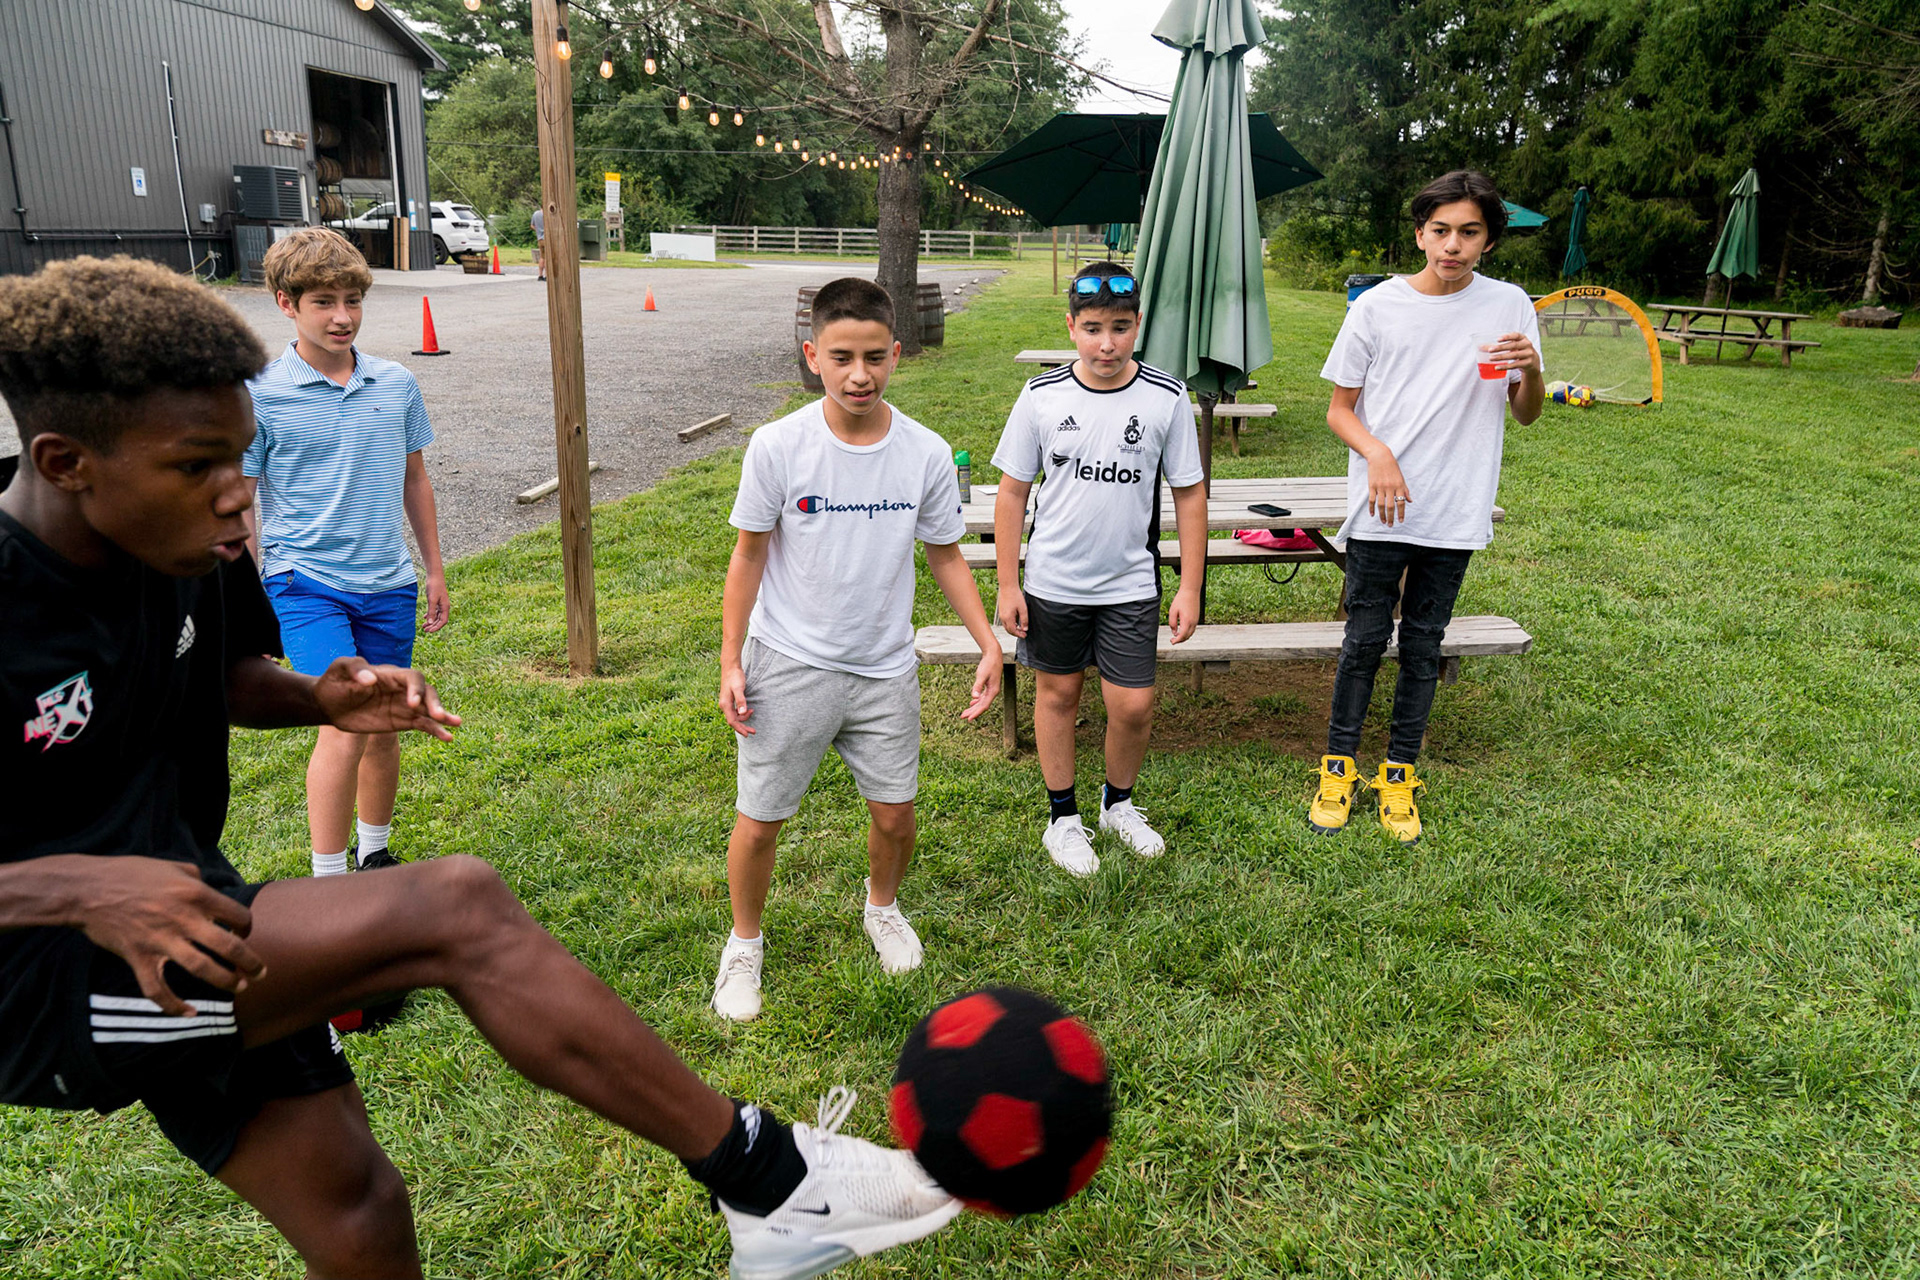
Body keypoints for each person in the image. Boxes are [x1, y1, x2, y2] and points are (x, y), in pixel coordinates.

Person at [0, 255, 960, 1280]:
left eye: (241, 457)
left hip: (188, 911)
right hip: (46, 969)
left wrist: (319, 697)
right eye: (202, 467)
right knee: (452, 905)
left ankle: (769, 1193)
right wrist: (82, 887)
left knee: (361, 1214)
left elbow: (221, 671)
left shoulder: (183, 536)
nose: (240, 499)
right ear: (65, 462)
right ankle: (768, 1179)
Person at [712, 277, 1001, 1023]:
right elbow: (748, 556)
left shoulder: (925, 452)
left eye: (874, 357)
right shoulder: (778, 446)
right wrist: (732, 660)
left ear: (897, 354)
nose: (859, 374)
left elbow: (945, 555)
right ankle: (744, 944)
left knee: (897, 817)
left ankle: (882, 908)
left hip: (884, 670)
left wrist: (988, 642)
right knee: (761, 819)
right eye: (841, 358)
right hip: (789, 663)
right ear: (813, 356)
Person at [1308, 169, 1544, 843]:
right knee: (1362, 640)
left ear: (1488, 241)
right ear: (1420, 234)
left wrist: (1534, 369)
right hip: (1382, 507)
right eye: (1441, 230)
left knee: (1422, 644)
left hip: (1456, 505)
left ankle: (1400, 774)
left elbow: (1525, 412)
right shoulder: (1377, 307)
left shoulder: (1509, 305)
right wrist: (1377, 452)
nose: (1453, 245)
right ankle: (1337, 769)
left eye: (1469, 232)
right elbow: (1340, 411)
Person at [244, 228, 449, 888]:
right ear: (286, 303)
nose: (342, 317)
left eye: (352, 300)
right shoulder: (259, 393)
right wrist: (249, 600)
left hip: (388, 583)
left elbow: (415, 479)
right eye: (324, 302)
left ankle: (374, 854)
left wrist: (433, 569)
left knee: (384, 725)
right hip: (304, 582)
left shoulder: (396, 383)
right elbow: (242, 502)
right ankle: (329, 882)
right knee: (344, 721)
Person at [990, 262, 1208, 877]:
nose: (1106, 344)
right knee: (1058, 694)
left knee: (1133, 705)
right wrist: (1007, 584)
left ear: (1138, 325)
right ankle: (1063, 818)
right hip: (1053, 582)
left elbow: (1190, 494)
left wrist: (1191, 586)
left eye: (1119, 327)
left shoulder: (1166, 397)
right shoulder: (1041, 396)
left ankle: (1118, 805)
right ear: (1071, 327)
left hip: (1129, 583)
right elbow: (1011, 493)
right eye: (1092, 329)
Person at [531, 205, 546, 281]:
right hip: (547, 238)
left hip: (539, 238)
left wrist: (538, 231)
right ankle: (547, 275)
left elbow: (532, 225)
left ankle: (540, 275)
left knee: (542, 257)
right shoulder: (547, 214)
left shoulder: (535, 214)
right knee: (548, 258)